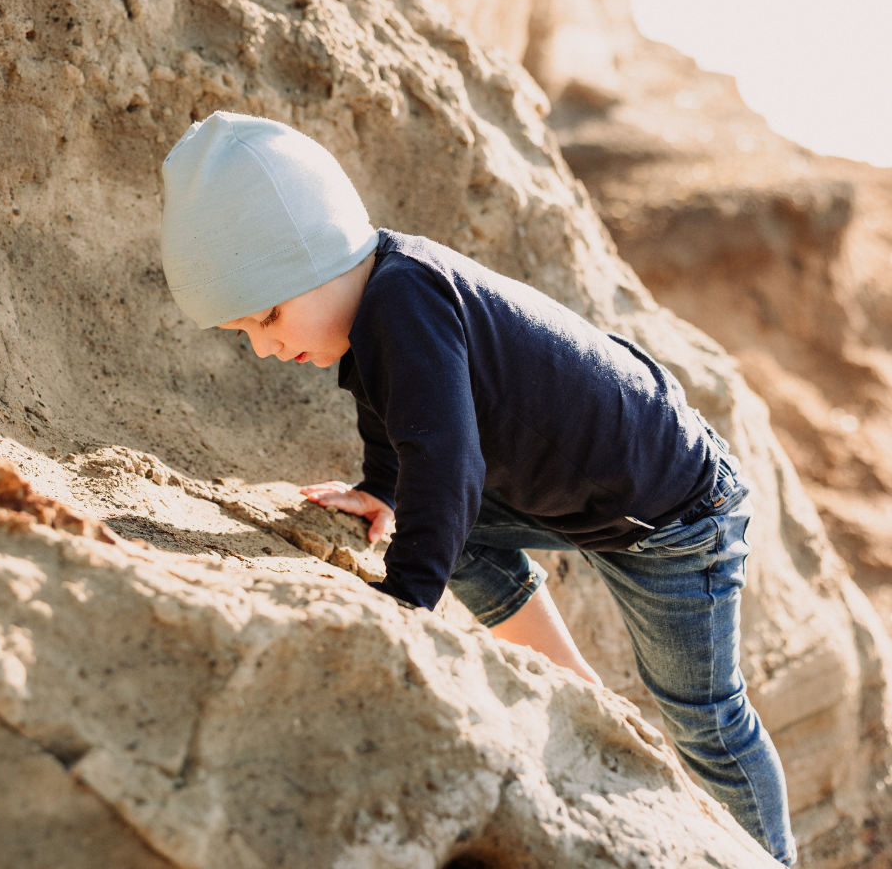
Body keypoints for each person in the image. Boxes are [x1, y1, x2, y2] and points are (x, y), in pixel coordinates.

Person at [160, 110, 797, 864]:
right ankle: (573, 683)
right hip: (585, 497)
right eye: (247, 334)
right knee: (438, 528)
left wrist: (403, 607)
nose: (267, 347)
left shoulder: (405, 300)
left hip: (675, 514)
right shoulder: (376, 304)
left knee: (707, 717)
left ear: (320, 257)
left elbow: (448, 461)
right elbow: (401, 420)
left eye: (268, 316)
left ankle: (774, 858)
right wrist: (382, 493)